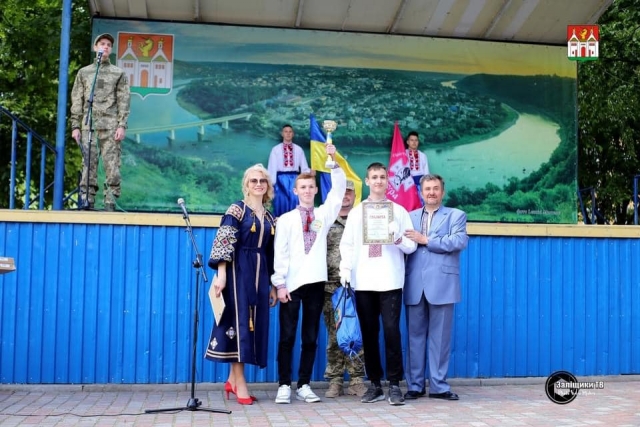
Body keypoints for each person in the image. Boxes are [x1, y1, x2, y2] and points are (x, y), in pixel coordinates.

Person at [272, 143, 346, 404]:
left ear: (315, 190)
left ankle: (303, 384)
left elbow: (338, 191)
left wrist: (333, 161)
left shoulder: (323, 214)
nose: (306, 190)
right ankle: (284, 385)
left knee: (310, 337)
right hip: (291, 285)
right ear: (295, 191)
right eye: (302, 187)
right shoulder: (285, 219)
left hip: (316, 283)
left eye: (310, 187)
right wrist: (280, 284)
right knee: (287, 337)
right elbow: (280, 253)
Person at [339, 162, 417, 406]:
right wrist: (345, 269)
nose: (379, 181)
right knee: (369, 334)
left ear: (387, 180)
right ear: (367, 180)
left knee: (392, 332)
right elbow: (347, 244)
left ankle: (394, 384)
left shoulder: (399, 212)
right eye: (374, 177)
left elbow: (411, 246)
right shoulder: (356, 213)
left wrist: (397, 237)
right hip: (364, 281)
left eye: (382, 177)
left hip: (390, 280)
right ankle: (374, 384)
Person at [205, 163, 278, 405]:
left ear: (267, 186)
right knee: (240, 326)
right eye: (253, 180)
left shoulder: (269, 217)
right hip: (237, 272)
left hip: (260, 275)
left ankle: (232, 380)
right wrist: (222, 275)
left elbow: (271, 253)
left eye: (262, 181)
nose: (258, 184)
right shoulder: (237, 210)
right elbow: (223, 241)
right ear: (246, 185)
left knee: (252, 327)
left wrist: (273, 284)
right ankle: (240, 383)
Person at [402, 174, 469, 401]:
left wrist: (427, 240)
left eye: (436, 188)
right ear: (421, 192)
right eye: (427, 189)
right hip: (414, 284)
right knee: (414, 337)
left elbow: (459, 241)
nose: (431, 192)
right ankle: (415, 385)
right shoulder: (409, 216)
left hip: (443, 284)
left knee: (440, 339)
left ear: (442, 192)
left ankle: (439, 387)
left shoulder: (456, 215)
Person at [70, 33, 131, 211]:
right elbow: (77, 99)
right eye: (102, 43)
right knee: (88, 162)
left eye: (109, 45)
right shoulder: (84, 72)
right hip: (89, 125)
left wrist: (122, 125)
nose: (105, 47)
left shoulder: (118, 73)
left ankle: (110, 201)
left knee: (112, 164)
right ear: (95, 47)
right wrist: (75, 125)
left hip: (110, 125)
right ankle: (86, 199)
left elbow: (124, 100)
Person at [322, 180, 367, 398]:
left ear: (355, 196)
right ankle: (335, 380)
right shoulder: (324, 220)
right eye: (342, 192)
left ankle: (357, 380)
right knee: (334, 334)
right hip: (331, 287)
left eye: (349, 192)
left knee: (357, 332)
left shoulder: (361, 220)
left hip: (358, 286)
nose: (345, 196)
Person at [267, 124, 312, 217]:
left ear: (293, 134)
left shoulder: (299, 149)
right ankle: (280, 223)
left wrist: (309, 172)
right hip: (280, 181)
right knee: (280, 202)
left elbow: (304, 167)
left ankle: (296, 224)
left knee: (295, 201)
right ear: (282, 134)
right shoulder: (275, 149)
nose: (288, 133)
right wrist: (271, 185)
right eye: (286, 131)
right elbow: (272, 168)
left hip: (295, 180)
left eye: (290, 132)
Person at [405, 131, 429, 202]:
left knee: (421, 202)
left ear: (418, 142)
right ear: (407, 142)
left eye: (416, 140)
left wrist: (426, 184)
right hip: (407, 183)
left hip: (420, 182)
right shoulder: (403, 154)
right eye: (412, 140)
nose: (414, 142)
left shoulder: (423, 155)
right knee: (409, 202)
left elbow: (426, 172)